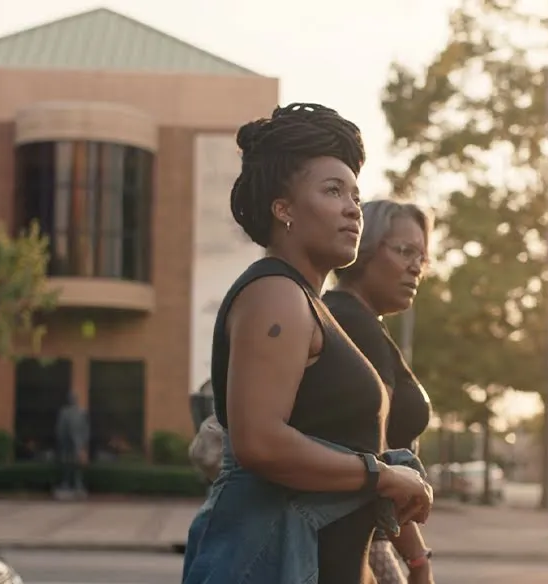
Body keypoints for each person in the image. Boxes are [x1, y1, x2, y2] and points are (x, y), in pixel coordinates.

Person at [181, 103, 433, 584]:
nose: (352, 208)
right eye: (333, 191)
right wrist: (383, 476)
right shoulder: (275, 293)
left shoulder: (310, 304)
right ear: (284, 209)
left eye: (356, 196)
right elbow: (260, 442)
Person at [324, 200, 435, 584]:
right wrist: (418, 561)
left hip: (363, 540)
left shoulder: (354, 320)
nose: (416, 267)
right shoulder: (354, 325)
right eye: (404, 251)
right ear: (365, 247)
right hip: (354, 547)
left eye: (422, 256)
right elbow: (377, 458)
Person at [53, 392, 89, 500]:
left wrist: (83, 442)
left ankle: (78, 484)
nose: (73, 400)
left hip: (78, 442)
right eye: (71, 398)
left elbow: (86, 428)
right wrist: (61, 440)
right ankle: (66, 483)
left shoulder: (82, 412)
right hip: (66, 442)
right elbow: (60, 427)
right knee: (67, 463)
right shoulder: (64, 412)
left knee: (77, 464)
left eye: (74, 398)